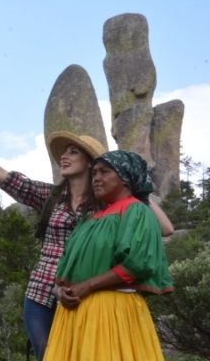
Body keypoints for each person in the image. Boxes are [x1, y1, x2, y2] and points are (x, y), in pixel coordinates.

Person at [0, 122, 174, 360]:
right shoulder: (52, 196)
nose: (64, 157)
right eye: (63, 153)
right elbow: (0, 175)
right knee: (48, 354)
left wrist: (135, 187)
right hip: (42, 290)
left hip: (87, 294)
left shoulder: (105, 202)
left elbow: (164, 228)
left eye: (73, 152)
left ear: (91, 162)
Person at [44, 150, 173, 360]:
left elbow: (139, 264)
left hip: (112, 313)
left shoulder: (136, 211)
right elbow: (65, 266)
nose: (96, 178)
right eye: (94, 173)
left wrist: (87, 286)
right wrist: (60, 291)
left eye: (104, 172)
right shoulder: (87, 221)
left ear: (125, 177)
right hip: (72, 315)